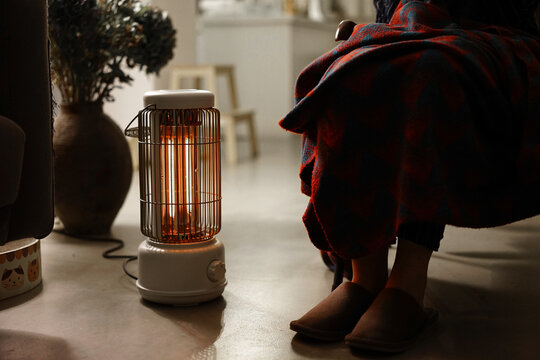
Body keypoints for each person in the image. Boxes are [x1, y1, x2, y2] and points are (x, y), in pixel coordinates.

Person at [280, 0, 540, 353]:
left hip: (490, 34)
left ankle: (407, 285)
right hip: (407, 28)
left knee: (429, 73)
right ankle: (365, 279)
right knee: (352, 74)